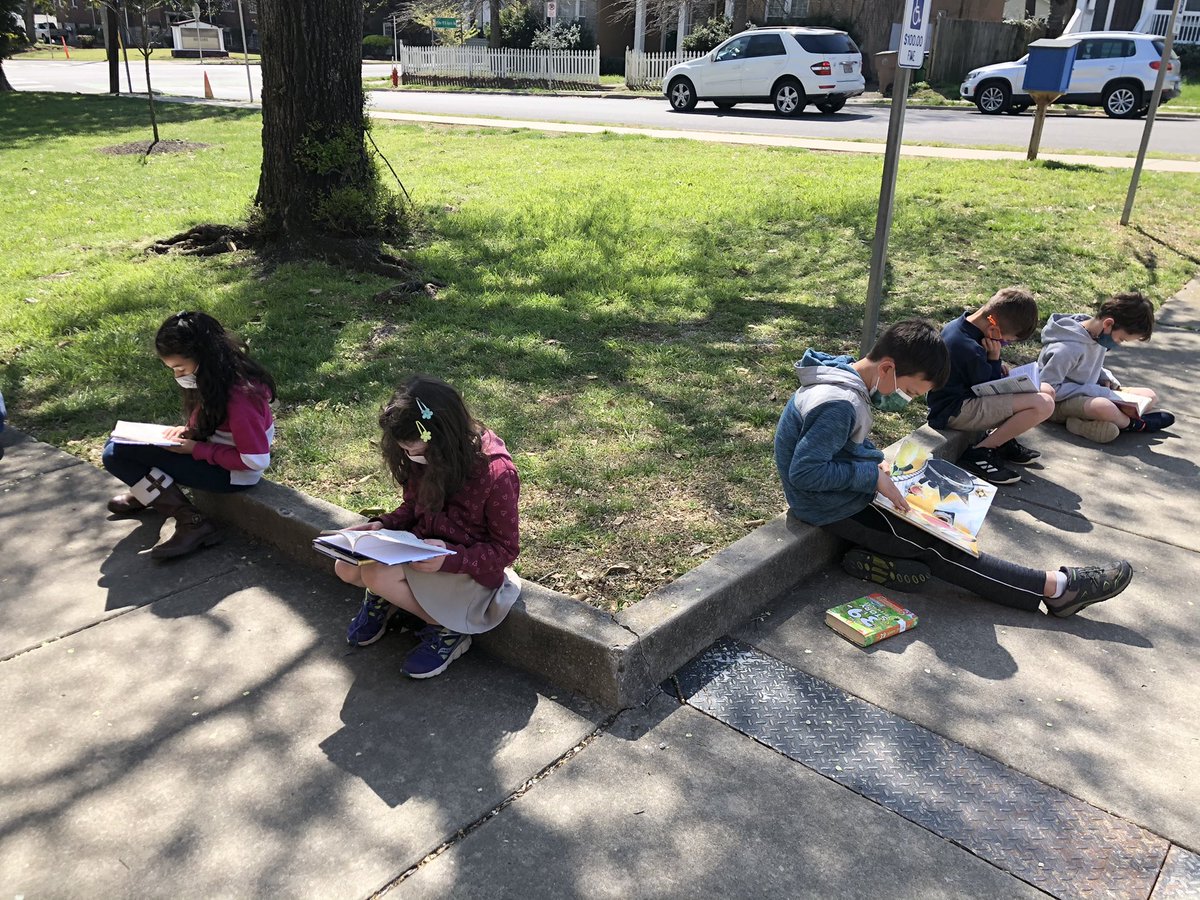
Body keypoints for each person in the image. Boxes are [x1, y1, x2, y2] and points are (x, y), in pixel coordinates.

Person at [774, 318, 1133, 618]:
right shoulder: (840, 403)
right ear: (887, 368)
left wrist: (872, 461)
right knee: (937, 545)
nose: (906, 399)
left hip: (846, 491)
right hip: (830, 505)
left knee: (940, 522)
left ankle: (890, 563)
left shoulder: (845, 378)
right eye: (912, 391)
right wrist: (872, 476)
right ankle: (1057, 589)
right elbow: (805, 473)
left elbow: (841, 444)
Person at [336, 376, 522, 679]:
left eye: (415, 450)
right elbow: (413, 506)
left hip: (466, 571)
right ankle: (389, 598)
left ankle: (448, 630)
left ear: (442, 436)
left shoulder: (496, 473)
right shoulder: (423, 455)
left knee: (375, 572)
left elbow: (505, 550)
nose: (411, 457)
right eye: (404, 450)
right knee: (345, 566)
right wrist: (382, 524)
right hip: (423, 555)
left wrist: (451, 557)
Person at [102, 311, 276, 559]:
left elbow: (256, 461)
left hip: (234, 475)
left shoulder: (241, 397)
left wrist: (195, 449)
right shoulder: (217, 375)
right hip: (213, 452)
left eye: (180, 368)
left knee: (114, 454)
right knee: (118, 443)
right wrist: (190, 431)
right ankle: (151, 493)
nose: (178, 376)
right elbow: (213, 415)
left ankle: (193, 521)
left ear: (203, 357)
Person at [926, 287, 1055, 486]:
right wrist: (994, 360)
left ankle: (1002, 440)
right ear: (994, 331)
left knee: (1047, 390)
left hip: (962, 399)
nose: (1005, 344)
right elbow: (987, 385)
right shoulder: (970, 348)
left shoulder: (962, 326)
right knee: (1043, 404)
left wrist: (994, 363)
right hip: (954, 411)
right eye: (1008, 341)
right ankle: (980, 452)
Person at [1038, 291, 1174, 444]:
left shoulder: (1097, 335)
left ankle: (1084, 423)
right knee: (1104, 407)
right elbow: (1048, 389)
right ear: (1108, 324)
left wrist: (1105, 375)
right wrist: (1093, 390)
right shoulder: (1066, 349)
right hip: (1058, 404)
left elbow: (1086, 365)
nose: (1118, 344)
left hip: (1089, 391)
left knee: (1150, 395)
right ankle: (1136, 424)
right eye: (1121, 339)